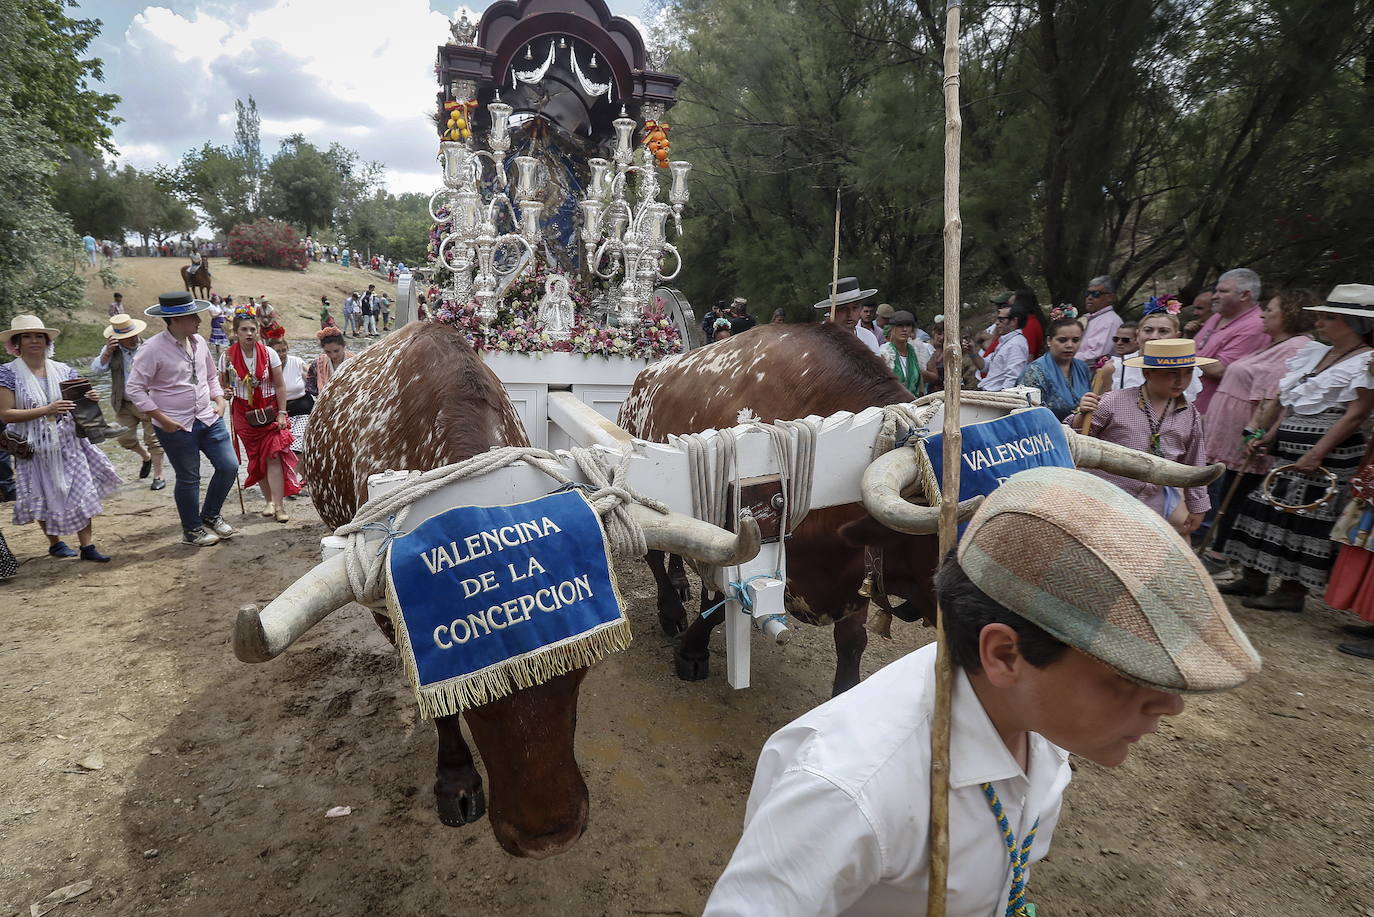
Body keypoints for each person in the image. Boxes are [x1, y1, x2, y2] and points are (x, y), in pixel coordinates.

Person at [704, 466, 1260, 917]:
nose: (1171, 705)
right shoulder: (850, 792)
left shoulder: (1031, 716)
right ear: (1003, 654)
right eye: (1128, 676)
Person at [1221, 284, 1374, 611]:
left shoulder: (1366, 363)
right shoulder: (1317, 353)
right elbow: (1294, 403)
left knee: (1305, 519)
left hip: (1327, 457)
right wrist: (1269, 435)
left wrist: (1317, 451)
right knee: (1264, 507)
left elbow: (1355, 415)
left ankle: (1292, 591)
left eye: (1328, 318)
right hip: (1289, 452)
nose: (1319, 324)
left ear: (1352, 323)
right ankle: (1254, 576)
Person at [1197, 290, 1317, 571]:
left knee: (1235, 494)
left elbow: (1273, 396)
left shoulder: (1296, 347)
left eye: (1271, 310)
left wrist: (1257, 432)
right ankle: (1216, 547)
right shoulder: (1275, 344)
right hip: (1229, 427)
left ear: (1290, 314)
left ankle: (1220, 553)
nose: (1262, 315)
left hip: (1247, 433)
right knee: (1225, 489)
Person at [0, 315, 120, 561]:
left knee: (82, 489)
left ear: (46, 342)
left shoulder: (64, 370)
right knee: (42, 493)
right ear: (16, 343)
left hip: (68, 441)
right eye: (27, 336)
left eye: (38, 336)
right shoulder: (7, 374)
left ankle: (87, 546)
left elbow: (77, 404)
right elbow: (5, 414)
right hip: (31, 447)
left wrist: (90, 398)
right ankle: (55, 543)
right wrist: (46, 410)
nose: (34, 341)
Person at [125, 293, 238, 547]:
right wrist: (161, 418)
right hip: (174, 424)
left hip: (208, 417)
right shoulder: (151, 349)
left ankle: (210, 514)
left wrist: (219, 400)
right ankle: (192, 530)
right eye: (192, 316)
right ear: (175, 320)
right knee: (189, 477)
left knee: (229, 465)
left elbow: (210, 377)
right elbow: (134, 389)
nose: (199, 320)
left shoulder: (198, 341)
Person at [1072, 339, 1213, 534]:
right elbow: (1074, 437)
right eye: (1172, 373)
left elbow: (1195, 461)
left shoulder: (1190, 414)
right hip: (1103, 500)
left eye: (1188, 372)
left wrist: (1198, 506)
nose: (1181, 381)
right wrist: (1082, 415)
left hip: (1152, 507)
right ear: (1148, 373)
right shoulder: (1112, 402)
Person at [219, 312, 301, 523]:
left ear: (258, 331)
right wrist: (226, 392)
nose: (249, 333)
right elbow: (223, 385)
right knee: (257, 459)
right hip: (243, 413)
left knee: (273, 456)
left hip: (270, 410)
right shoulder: (226, 356)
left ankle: (280, 506)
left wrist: (283, 412)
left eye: (252, 329)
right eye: (244, 329)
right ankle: (269, 502)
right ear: (236, 332)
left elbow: (280, 385)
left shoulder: (269, 353)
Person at [90, 314, 166, 490]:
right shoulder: (111, 350)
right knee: (124, 439)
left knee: (153, 440)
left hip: (149, 401)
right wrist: (107, 353)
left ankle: (159, 474)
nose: (132, 339)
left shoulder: (149, 347)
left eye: (133, 335)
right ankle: (145, 457)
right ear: (117, 339)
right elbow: (96, 370)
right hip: (123, 403)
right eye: (126, 338)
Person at [1193, 268, 1270, 413]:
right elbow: (1194, 349)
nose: (1215, 296)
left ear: (1245, 295)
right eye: (1216, 291)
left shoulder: (1255, 325)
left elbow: (1220, 369)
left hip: (1214, 411)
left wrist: (1179, 356)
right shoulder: (1218, 316)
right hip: (1191, 404)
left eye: (1223, 291)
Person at [1017, 317, 1092, 420]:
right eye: (1062, 340)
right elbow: (1027, 415)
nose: (1070, 345)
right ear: (1049, 341)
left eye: (1075, 340)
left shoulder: (1083, 368)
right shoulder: (1034, 372)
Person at [269, 337, 312, 472]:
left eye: (283, 350)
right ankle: (305, 480)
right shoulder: (266, 366)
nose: (281, 354)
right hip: (281, 413)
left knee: (297, 447)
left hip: (303, 409)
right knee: (282, 449)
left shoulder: (296, 362)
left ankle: (291, 481)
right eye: (277, 351)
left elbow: (312, 376)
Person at [971, 301, 1030, 391]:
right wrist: (972, 352)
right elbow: (985, 367)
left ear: (1014, 321)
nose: (997, 323)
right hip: (988, 391)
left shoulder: (1016, 344)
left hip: (996, 396)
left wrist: (1002, 401)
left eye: (1001, 319)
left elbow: (1013, 379)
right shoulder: (1006, 341)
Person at [815, 277, 882, 354]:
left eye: (855, 308)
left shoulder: (868, 337)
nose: (850, 314)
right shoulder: (819, 341)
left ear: (860, 308)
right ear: (831, 310)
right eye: (843, 309)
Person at [1076, 275, 1124, 363]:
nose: (1089, 298)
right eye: (1087, 294)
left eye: (1096, 294)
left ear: (1110, 297)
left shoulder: (1110, 321)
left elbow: (1096, 356)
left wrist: (1065, 359)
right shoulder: (1088, 318)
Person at [878, 310, 924, 396]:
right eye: (900, 326)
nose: (904, 329)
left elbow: (920, 383)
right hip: (892, 403)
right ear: (892, 328)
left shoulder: (916, 351)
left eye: (908, 325)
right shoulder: (885, 353)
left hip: (916, 402)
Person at [306, 328, 351, 396]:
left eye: (336, 351)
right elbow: (310, 385)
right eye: (328, 352)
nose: (333, 356)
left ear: (344, 345)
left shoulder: (355, 361)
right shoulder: (318, 363)